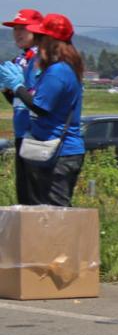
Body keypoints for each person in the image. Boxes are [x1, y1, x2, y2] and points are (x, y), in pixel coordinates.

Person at [0, 14, 85, 206]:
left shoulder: (58, 71)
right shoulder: (54, 68)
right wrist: (12, 89)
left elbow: (40, 107)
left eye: (41, 37)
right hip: (47, 147)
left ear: (50, 40)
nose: (38, 43)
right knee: (38, 210)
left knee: (55, 213)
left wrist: (17, 86)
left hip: (59, 151)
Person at [2, 8, 43, 204]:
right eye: (15, 29)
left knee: (35, 196)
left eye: (23, 28)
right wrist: (7, 90)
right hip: (21, 132)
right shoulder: (20, 59)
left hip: (36, 134)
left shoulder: (40, 59)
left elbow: (39, 103)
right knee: (24, 194)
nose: (17, 33)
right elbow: (19, 102)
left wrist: (19, 85)